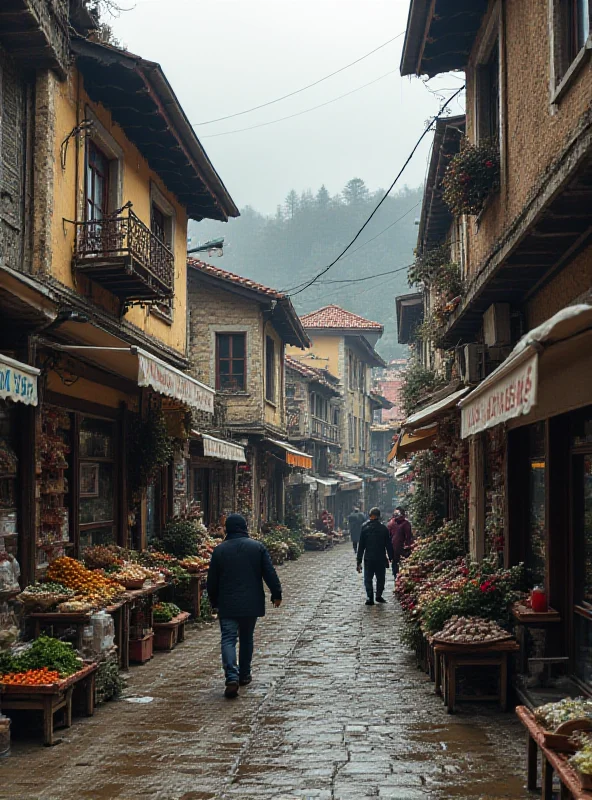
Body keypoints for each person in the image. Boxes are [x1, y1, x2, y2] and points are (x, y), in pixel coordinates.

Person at [206, 513, 282, 699]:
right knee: (247, 638)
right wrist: (276, 593)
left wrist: (214, 601)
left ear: (228, 528)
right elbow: (269, 572)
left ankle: (231, 676)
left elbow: (212, 581)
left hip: (227, 603)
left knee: (228, 639)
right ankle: (244, 674)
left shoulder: (219, 550)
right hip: (251, 602)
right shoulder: (257, 547)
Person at [356, 507, 394, 605]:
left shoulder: (364, 527)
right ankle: (378, 595)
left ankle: (370, 597)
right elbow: (388, 544)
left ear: (370, 515)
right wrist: (391, 556)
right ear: (379, 516)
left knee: (368, 578)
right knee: (380, 578)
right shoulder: (383, 528)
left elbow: (361, 546)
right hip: (380, 557)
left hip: (369, 558)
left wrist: (359, 560)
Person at [388, 506, 413, 586]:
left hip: (394, 548)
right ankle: (400, 578)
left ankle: (396, 577)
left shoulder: (391, 523)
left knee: (395, 563)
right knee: (401, 563)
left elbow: (388, 536)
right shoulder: (405, 523)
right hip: (402, 548)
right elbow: (408, 536)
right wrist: (408, 546)